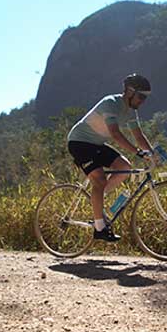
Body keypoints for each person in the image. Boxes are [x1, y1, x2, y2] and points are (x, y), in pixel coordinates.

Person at [66, 73, 155, 242]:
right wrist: (137, 152)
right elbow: (115, 134)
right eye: (141, 97)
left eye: (146, 98)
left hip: (97, 144)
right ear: (129, 92)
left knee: (125, 168)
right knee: (99, 180)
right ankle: (99, 228)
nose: (143, 101)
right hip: (80, 142)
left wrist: (153, 155)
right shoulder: (111, 104)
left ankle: (97, 201)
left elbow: (139, 136)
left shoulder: (130, 111)